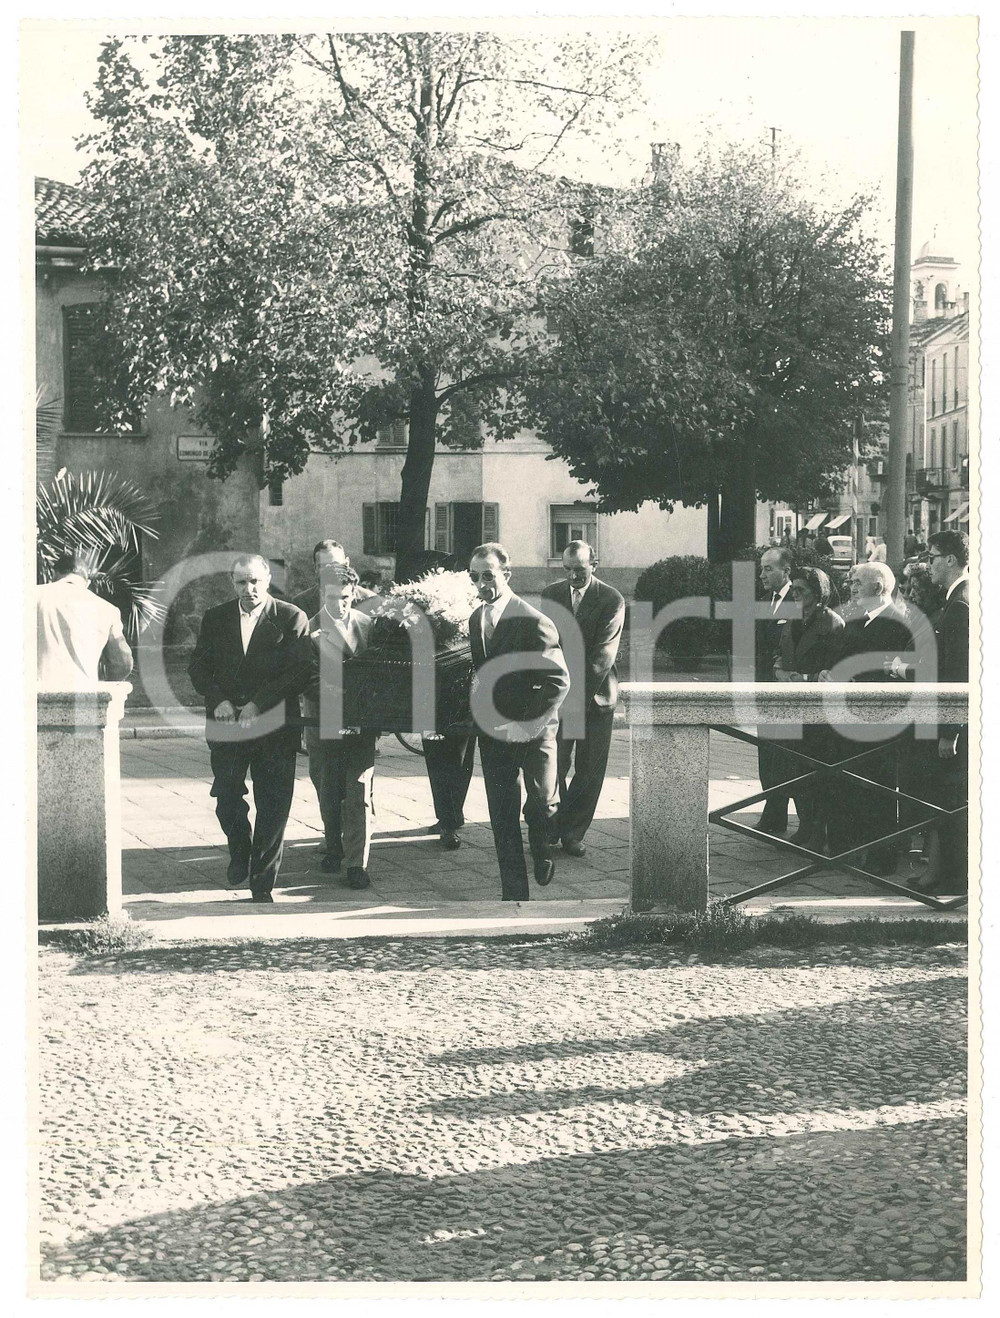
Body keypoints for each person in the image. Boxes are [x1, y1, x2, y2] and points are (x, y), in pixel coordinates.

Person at [188, 554, 309, 902]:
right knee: (227, 798)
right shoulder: (216, 618)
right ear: (233, 583)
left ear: (267, 579)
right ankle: (239, 850)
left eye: (255, 581)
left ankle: (262, 881)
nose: (249, 589)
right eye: (241, 582)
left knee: (273, 803)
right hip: (226, 726)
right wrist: (219, 700)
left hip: (274, 726)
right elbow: (198, 667)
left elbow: (299, 671)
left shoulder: (290, 617)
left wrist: (259, 703)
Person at [468, 542, 569, 900]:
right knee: (501, 814)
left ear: (506, 574)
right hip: (493, 732)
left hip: (534, 729)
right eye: (475, 577)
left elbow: (559, 680)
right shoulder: (476, 619)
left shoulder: (533, 621)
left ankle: (541, 846)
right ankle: (514, 893)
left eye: (488, 576)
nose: (481, 584)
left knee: (542, 803)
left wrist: (527, 725)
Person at [819, 561, 913, 877]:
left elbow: (900, 673)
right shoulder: (858, 622)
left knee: (879, 790)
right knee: (854, 786)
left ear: (877, 587)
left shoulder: (899, 624)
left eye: (857, 583)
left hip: (880, 722)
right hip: (850, 719)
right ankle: (855, 849)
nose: (851, 588)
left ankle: (881, 857)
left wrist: (857, 683)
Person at [540, 540, 626, 857]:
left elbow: (603, 655)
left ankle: (574, 832)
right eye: (568, 570)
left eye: (579, 569)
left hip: (596, 696)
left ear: (595, 564)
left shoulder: (611, 599)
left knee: (589, 771)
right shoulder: (551, 595)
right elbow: (545, 643)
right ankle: (550, 828)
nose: (573, 576)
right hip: (559, 697)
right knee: (553, 765)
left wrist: (572, 695)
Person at [302, 565, 376, 890]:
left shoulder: (366, 625)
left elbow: (377, 673)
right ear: (322, 594)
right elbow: (307, 678)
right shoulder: (309, 629)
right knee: (328, 790)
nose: (340, 605)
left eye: (346, 598)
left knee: (359, 791)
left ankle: (357, 864)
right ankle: (334, 846)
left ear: (354, 594)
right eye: (333, 598)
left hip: (361, 724)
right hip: (324, 723)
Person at [907, 531, 970, 895]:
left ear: (949, 559)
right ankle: (947, 872)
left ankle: (953, 876)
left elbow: (959, 672)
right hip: (946, 717)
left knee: (949, 800)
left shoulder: (960, 603)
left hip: (951, 723)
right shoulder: (955, 599)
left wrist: (952, 728)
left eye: (931, 557)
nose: (927, 564)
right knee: (945, 799)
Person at [773, 566, 845, 852]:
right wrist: (778, 671)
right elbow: (779, 652)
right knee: (794, 768)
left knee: (817, 771)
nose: (794, 595)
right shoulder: (791, 620)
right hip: (792, 704)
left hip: (818, 711)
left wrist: (803, 678)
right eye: (793, 590)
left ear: (818, 594)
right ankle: (804, 825)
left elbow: (833, 667)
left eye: (800, 591)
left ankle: (819, 831)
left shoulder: (832, 623)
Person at [37, 549, 134, 688]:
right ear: (87, 583)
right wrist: (106, 684)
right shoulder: (107, 609)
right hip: (83, 697)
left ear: (55, 575)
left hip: (35, 697)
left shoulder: (30, 595)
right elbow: (123, 663)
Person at [754, 546, 796, 836]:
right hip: (764, 690)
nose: (763, 574)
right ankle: (773, 814)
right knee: (766, 755)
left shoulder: (798, 599)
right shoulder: (763, 601)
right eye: (761, 568)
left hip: (786, 691)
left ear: (786, 571)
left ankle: (782, 815)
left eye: (769, 568)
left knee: (785, 755)